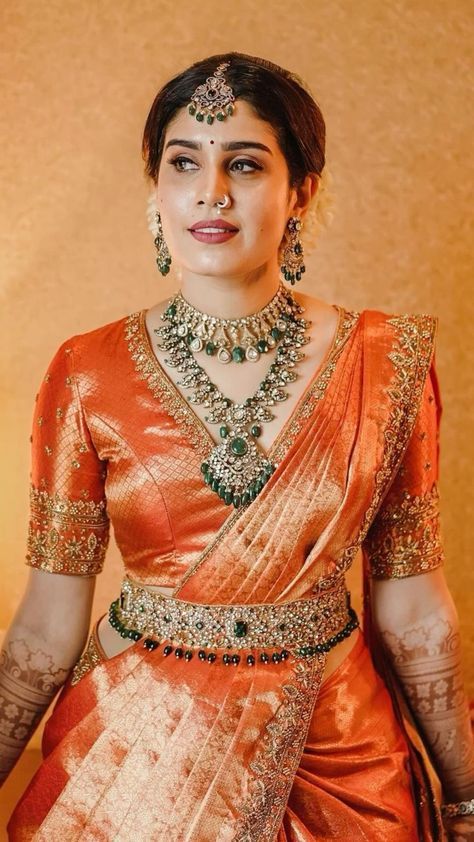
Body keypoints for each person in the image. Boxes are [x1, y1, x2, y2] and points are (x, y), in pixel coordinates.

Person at [1, 51, 473, 841]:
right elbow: (46, 627)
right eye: (183, 162)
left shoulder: (385, 365)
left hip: (343, 757)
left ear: (302, 193)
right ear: (156, 191)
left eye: (245, 164)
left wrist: (464, 792)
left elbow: (416, 606)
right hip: (134, 762)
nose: (209, 192)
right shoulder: (85, 372)